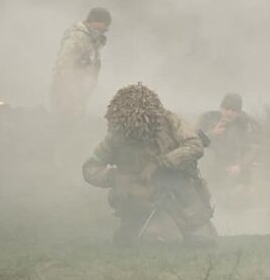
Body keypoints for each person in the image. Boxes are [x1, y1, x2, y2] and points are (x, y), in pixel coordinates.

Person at [82, 83, 217, 246]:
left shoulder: (170, 122)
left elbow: (194, 145)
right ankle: (133, 231)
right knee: (165, 240)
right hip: (145, 200)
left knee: (205, 239)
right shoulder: (115, 138)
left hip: (180, 193)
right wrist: (117, 177)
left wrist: (159, 164)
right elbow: (90, 167)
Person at [50, 7, 111, 116]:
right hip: (67, 94)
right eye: (103, 25)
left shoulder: (93, 40)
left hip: (80, 94)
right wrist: (68, 90)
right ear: (93, 21)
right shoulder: (78, 36)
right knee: (64, 123)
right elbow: (64, 63)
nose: (105, 29)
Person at [196, 93, 260, 197]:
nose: (229, 113)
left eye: (234, 110)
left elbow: (251, 148)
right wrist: (213, 133)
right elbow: (193, 142)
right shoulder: (208, 120)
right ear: (221, 108)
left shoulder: (243, 124)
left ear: (239, 112)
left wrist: (240, 166)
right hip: (209, 165)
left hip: (233, 165)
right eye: (226, 109)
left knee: (241, 196)